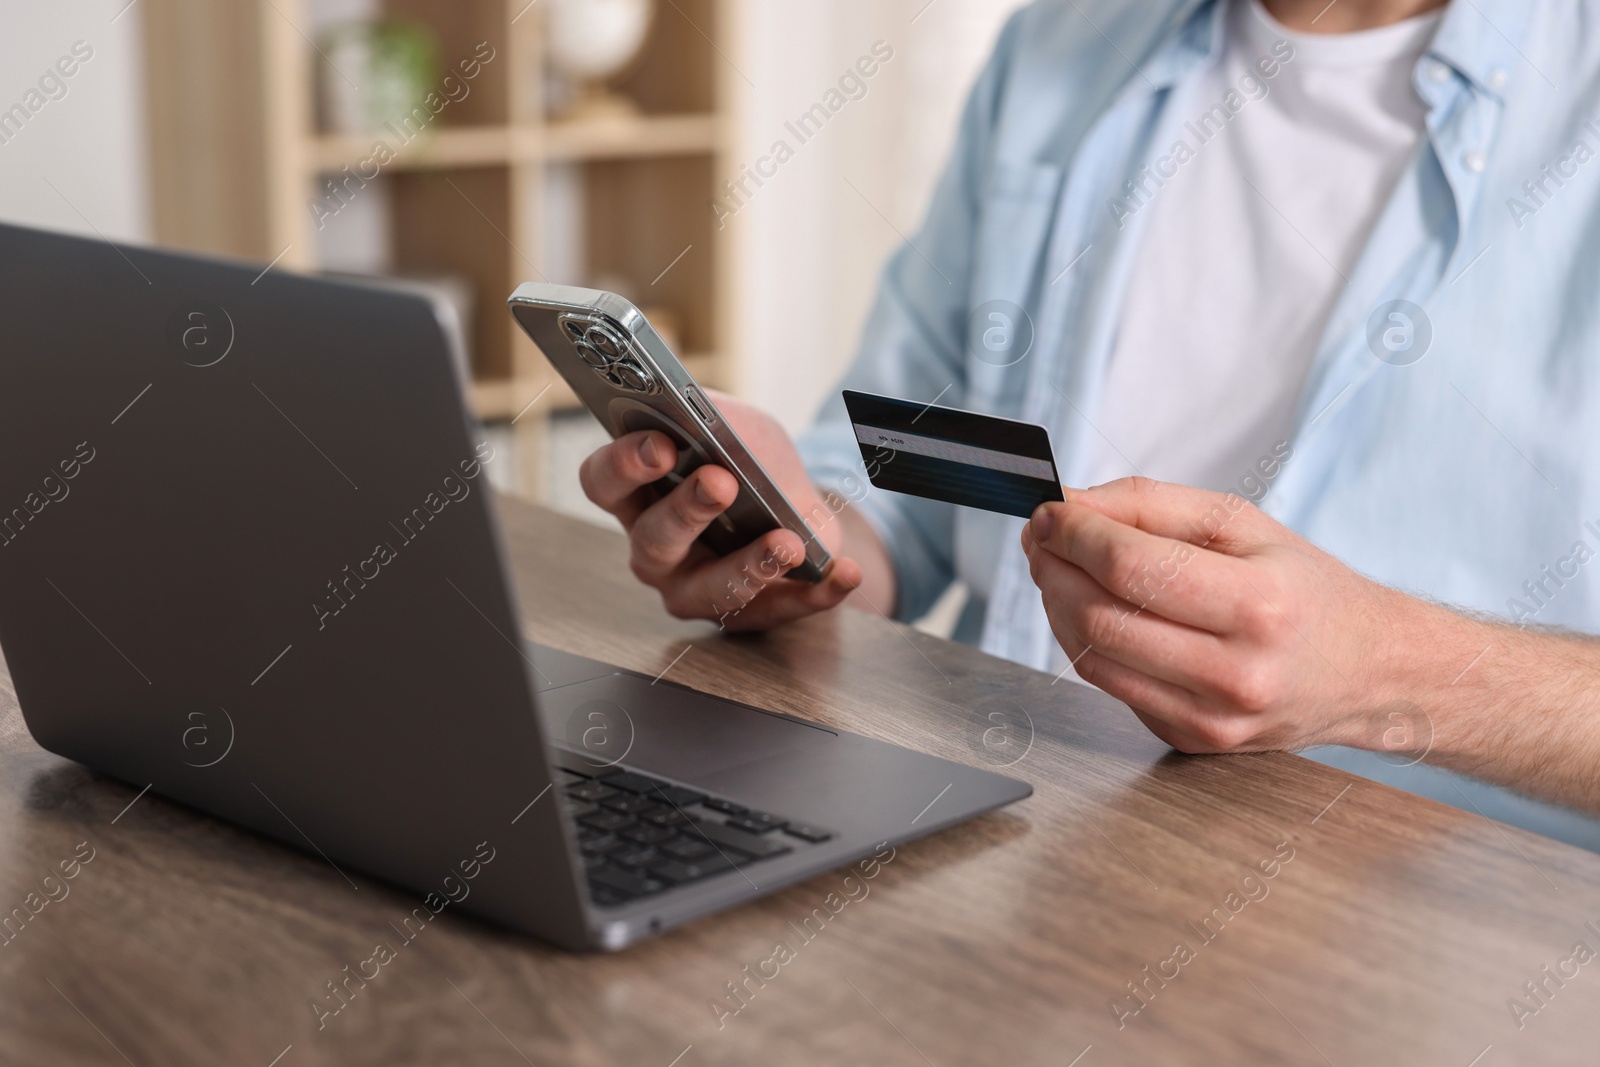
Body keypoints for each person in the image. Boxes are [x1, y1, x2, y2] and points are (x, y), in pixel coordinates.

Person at [579, 0, 1600, 846]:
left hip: (1420, 953)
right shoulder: (1059, 45)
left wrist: (1389, 675)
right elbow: (912, 474)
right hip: (995, 849)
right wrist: (797, 531)